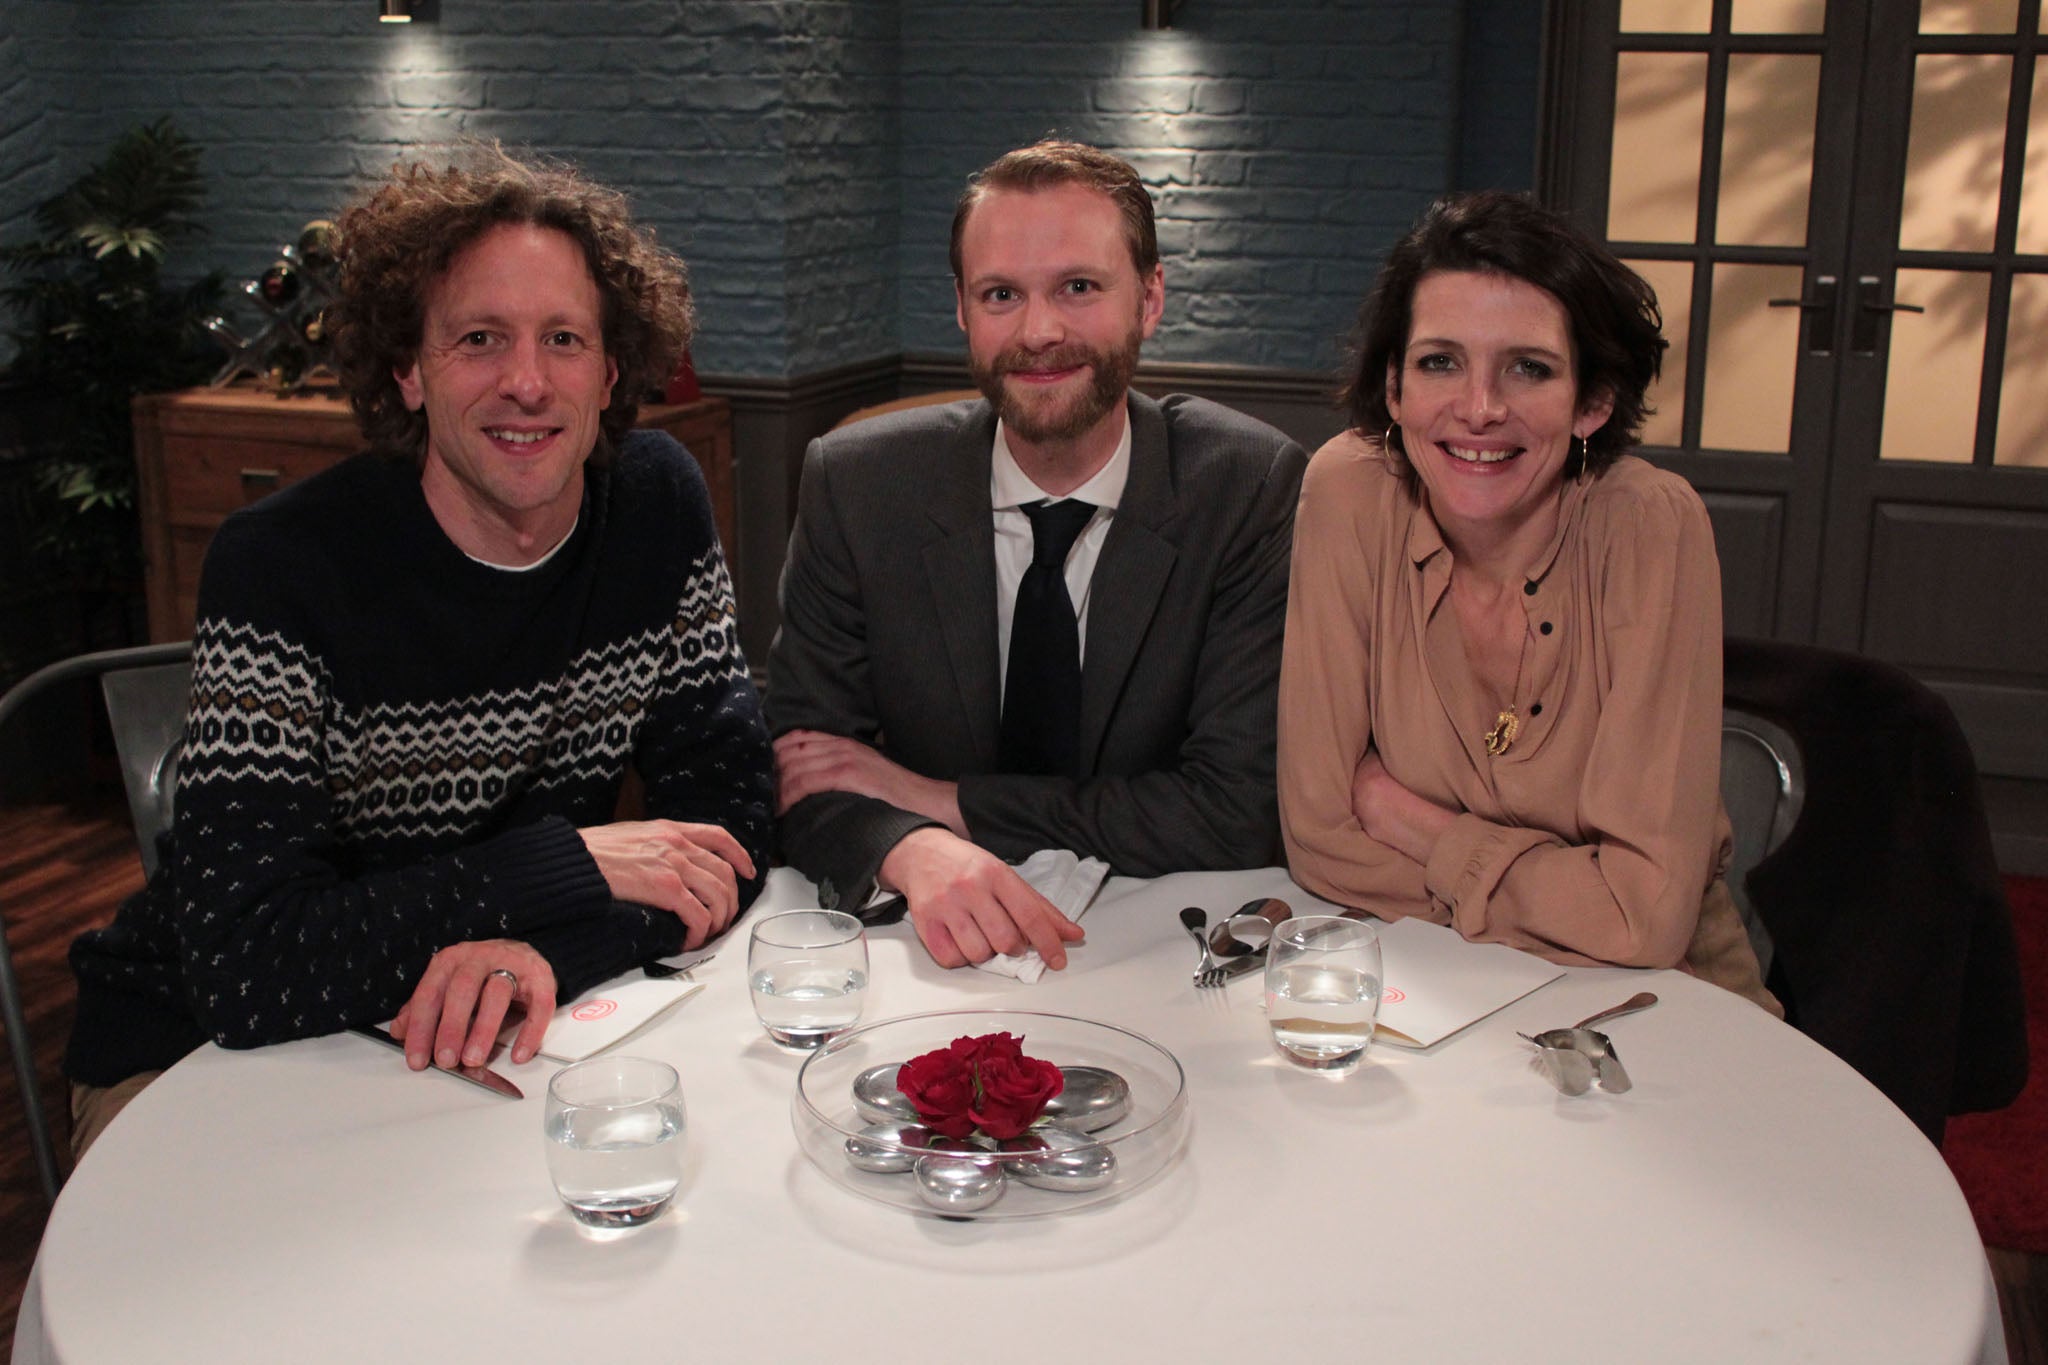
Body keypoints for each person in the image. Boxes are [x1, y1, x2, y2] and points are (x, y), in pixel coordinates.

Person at [64, 143, 775, 1155]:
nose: (526, 383)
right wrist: (561, 867)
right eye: (478, 338)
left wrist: (542, 949)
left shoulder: (655, 504)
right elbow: (245, 961)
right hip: (200, 1056)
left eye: (563, 339)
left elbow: (729, 828)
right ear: (406, 371)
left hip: (476, 1029)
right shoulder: (281, 566)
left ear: (610, 372)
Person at [768, 139, 1307, 973]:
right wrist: (911, 845)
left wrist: (942, 800)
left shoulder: (1246, 486)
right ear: (961, 309)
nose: (1040, 331)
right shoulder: (856, 482)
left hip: (1162, 945)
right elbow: (806, 767)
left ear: (1151, 297)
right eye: (1001, 295)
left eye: (1079, 287)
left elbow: (1237, 808)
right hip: (920, 948)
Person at [1278, 191, 1776, 1010]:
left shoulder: (1649, 523)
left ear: (1593, 401)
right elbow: (1320, 840)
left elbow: (1643, 922)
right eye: (1440, 361)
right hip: (1431, 996)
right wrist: (1568, 895)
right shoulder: (1351, 489)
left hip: (1658, 1006)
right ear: (1394, 385)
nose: (1479, 407)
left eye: (1529, 368)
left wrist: (1413, 823)